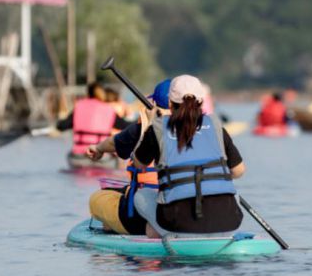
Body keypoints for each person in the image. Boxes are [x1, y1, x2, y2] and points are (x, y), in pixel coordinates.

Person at [87, 75, 245, 237]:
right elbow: (239, 171)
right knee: (233, 193)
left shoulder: (157, 129)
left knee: (140, 196)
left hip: (177, 223)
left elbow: (137, 164)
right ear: (202, 102)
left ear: (171, 103)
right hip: (226, 224)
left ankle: (158, 231)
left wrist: (148, 128)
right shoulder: (215, 126)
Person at [86, 79, 171, 235]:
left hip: (141, 216)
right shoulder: (200, 130)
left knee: (96, 199)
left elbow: (113, 143)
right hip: (186, 210)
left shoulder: (143, 128)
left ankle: (116, 225)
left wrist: (98, 148)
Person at [56, 81, 131, 161]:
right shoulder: (108, 109)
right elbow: (125, 126)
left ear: (88, 93)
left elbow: (61, 126)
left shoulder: (79, 106)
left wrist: (58, 123)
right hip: (102, 156)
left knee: (70, 155)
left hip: (79, 155)